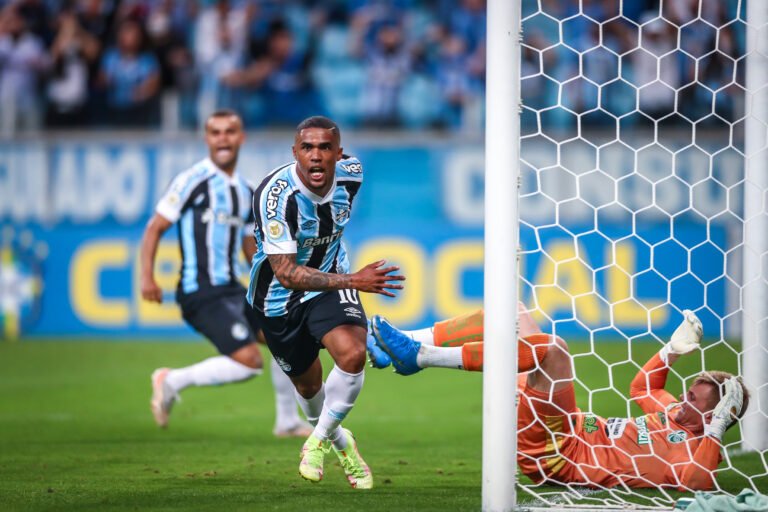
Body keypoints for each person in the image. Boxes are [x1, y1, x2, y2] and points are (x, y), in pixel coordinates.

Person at [368, 307, 749, 491]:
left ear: (719, 416)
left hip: (559, 452)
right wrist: (671, 351)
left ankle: (420, 357)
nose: (683, 402)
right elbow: (642, 389)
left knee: (555, 350)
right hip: (557, 425)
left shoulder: (693, 452)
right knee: (512, 312)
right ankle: (408, 342)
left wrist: (714, 430)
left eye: (696, 402)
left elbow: (697, 484)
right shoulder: (674, 416)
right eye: (688, 393)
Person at [247, 115, 405, 489]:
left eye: (324, 148)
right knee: (308, 388)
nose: (315, 157)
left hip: (331, 284)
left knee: (352, 354)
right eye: (307, 148)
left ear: (338, 153)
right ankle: (340, 441)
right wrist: (355, 280)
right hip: (277, 301)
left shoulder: (352, 175)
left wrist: (346, 281)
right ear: (295, 153)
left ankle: (316, 441)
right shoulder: (275, 197)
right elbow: (285, 272)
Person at [139, 109, 312, 439]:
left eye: (230, 132)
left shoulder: (247, 191)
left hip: (233, 289)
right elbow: (154, 228)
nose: (223, 139)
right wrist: (147, 277)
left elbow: (251, 247)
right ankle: (171, 380)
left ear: (241, 137)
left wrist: (274, 283)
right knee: (249, 362)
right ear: (207, 139)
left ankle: (287, 422)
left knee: (286, 337)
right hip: (200, 290)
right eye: (216, 133)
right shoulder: (193, 180)